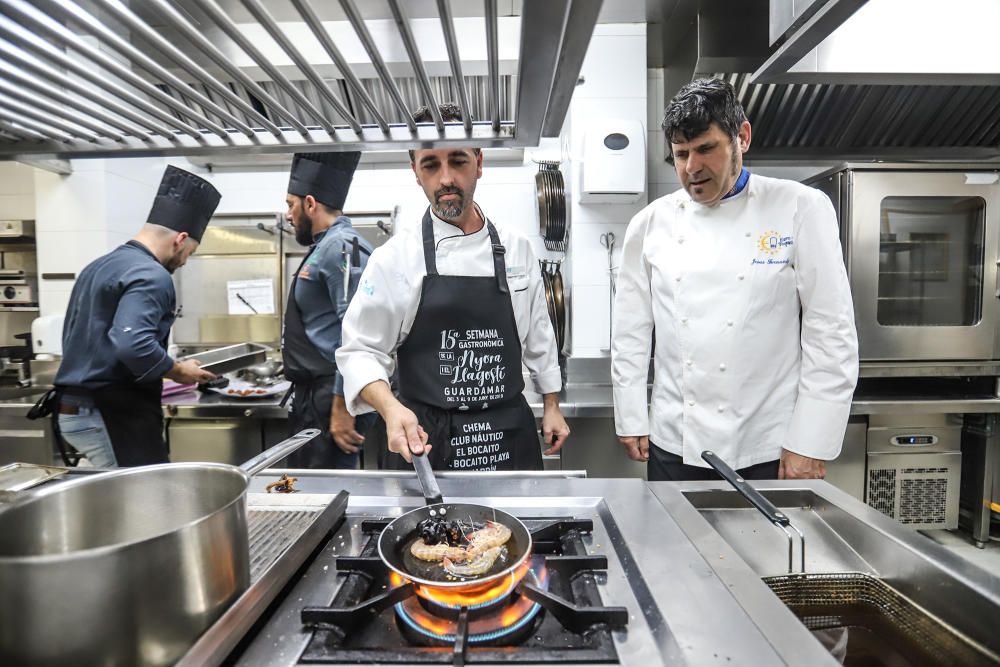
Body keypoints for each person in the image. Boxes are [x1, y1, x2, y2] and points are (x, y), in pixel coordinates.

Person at [611, 78, 859, 481]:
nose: (692, 168)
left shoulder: (801, 207)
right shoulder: (650, 223)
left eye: (706, 149)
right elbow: (631, 331)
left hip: (769, 445)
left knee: (761, 547)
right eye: (681, 154)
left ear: (741, 137)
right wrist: (632, 415)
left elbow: (830, 331)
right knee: (673, 545)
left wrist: (809, 443)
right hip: (675, 441)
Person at [336, 103, 570, 471]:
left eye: (458, 161)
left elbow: (539, 333)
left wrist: (552, 404)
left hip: (506, 435)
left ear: (479, 162)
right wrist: (390, 407)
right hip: (426, 440)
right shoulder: (394, 259)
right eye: (431, 164)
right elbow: (359, 351)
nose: (445, 178)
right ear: (415, 172)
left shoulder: (517, 247)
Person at [54, 165, 220, 467]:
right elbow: (132, 342)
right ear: (180, 239)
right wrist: (179, 371)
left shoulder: (101, 265)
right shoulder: (151, 274)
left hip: (80, 407)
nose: (184, 262)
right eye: (190, 253)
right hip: (108, 412)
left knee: (122, 502)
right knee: (141, 505)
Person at [282, 151, 376, 468]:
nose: (287, 215)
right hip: (316, 397)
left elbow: (357, 331)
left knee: (327, 498)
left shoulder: (343, 246)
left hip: (330, 397)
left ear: (310, 204)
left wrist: (342, 407)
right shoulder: (326, 245)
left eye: (290, 204)